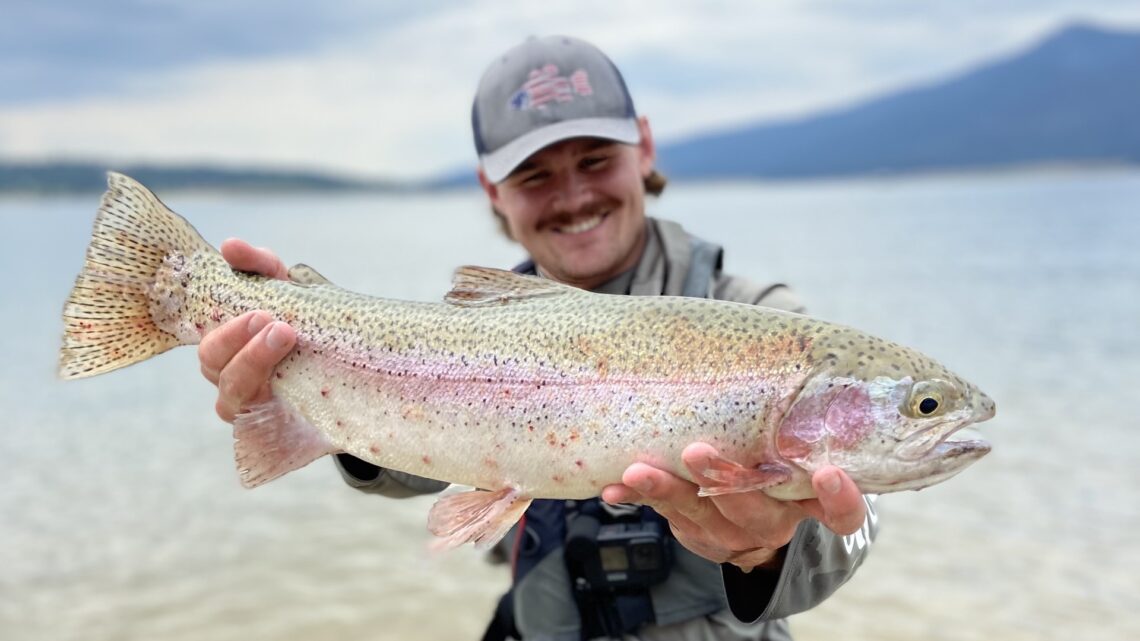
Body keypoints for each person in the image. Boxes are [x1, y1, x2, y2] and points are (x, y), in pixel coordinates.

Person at [198, 35, 877, 641]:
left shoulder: (762, 323)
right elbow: (406, 460)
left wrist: (767, 549)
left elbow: (857, 526)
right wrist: (296, 353)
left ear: (644, 146)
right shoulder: (470, 333)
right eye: (535, 175)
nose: (574, 195)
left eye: (594, 159)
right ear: (492, 190)